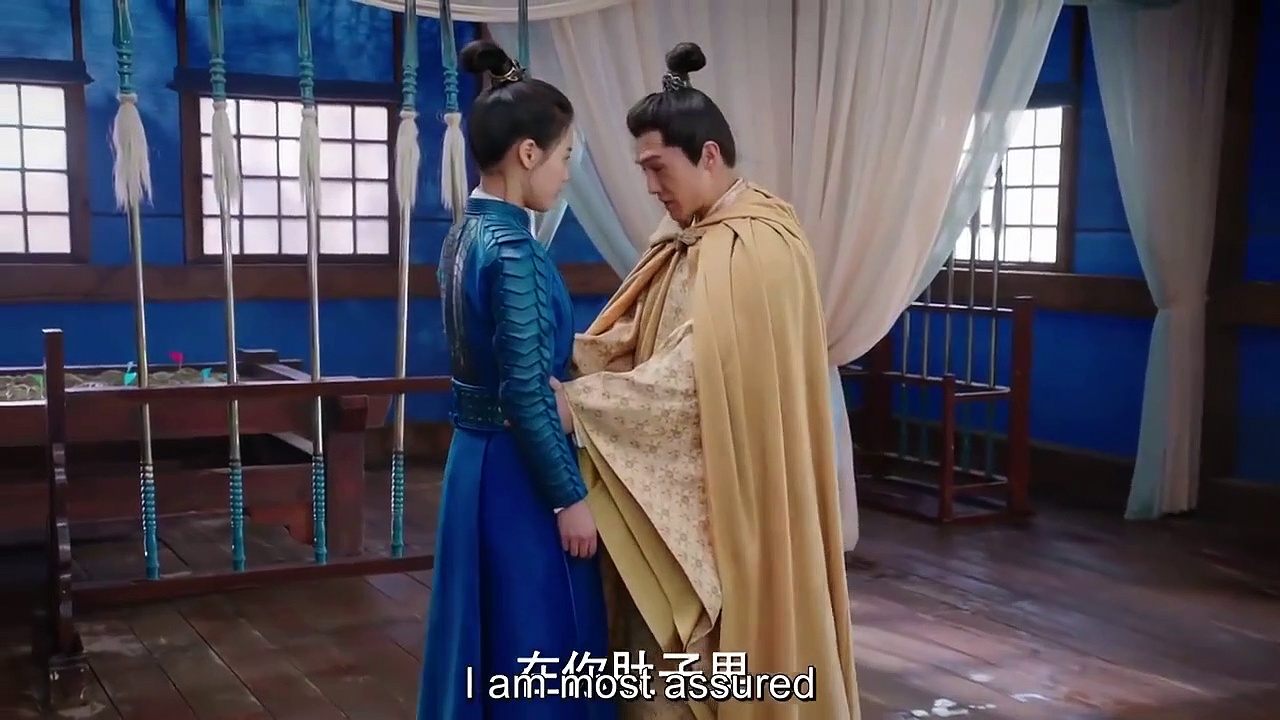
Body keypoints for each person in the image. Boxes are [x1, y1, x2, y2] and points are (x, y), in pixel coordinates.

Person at [551, 43, 860, 719]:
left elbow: (695, 377)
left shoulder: (759, 244)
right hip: (673, 481)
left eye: (658, 168)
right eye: (644, 170)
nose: (651, 187)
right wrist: (570, 360)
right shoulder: (687, 235)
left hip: (736, 485)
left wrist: (583, 405)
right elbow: (636, 332)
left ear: (709, 155)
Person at [418, 38, 613, 720]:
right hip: (518, 473)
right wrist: (569, 498)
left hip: (471, 462)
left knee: (480, 636)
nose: (565, 176)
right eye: (564, 158)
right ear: (528, 153)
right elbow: (527, 391)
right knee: (536, 645)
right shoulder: (515, 250)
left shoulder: (461, 237)